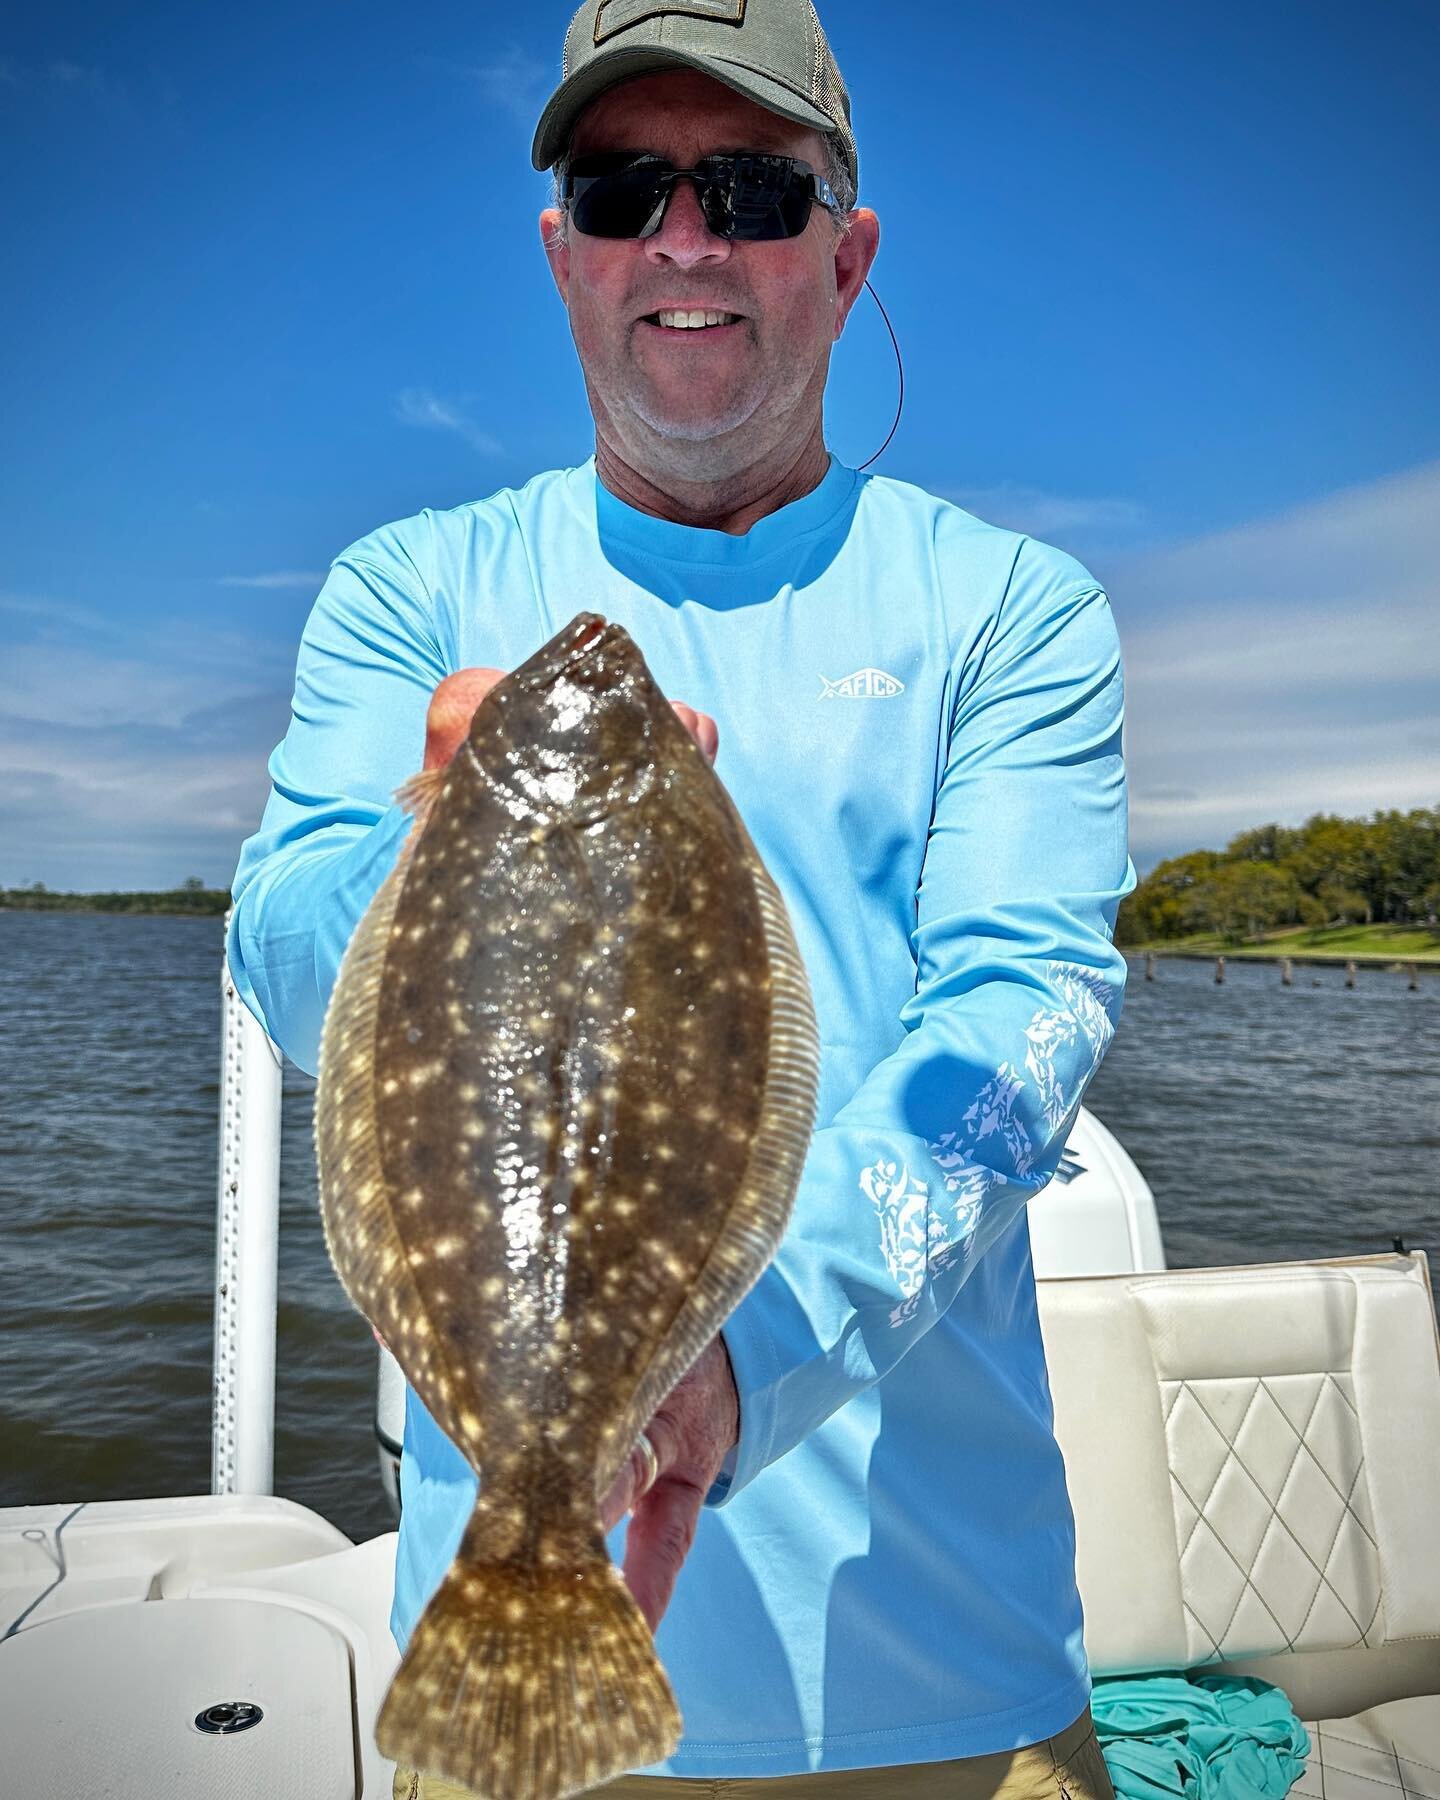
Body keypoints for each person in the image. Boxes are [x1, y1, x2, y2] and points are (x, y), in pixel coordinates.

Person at [228, 2, 1134, 1796]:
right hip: (509, 1634)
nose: (688, 239)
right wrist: (461, 836)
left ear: (849, 250)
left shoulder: (1012, 610)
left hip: (942, 1663)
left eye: (750, 188)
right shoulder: (412, 588)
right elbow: (282, 943)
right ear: (562, 249)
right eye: (626, 185)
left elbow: (1017, 1023)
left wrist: (747, 1355)